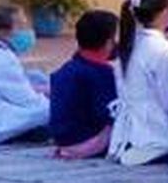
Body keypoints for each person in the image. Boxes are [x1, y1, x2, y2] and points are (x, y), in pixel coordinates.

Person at [108, 0, 168, 166]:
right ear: (165, 13)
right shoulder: (160, 49)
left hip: (126, 133)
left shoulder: (130, 43)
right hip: (153, 134)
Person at [48, 10, 120, 159]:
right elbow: (108, 113)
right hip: (87, 142)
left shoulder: (68, 68)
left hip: (63, 141)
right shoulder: (101, 74)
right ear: (108, 42)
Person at [0, 5, 48, 146]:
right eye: (21, 26)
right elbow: (31, 102)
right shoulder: (1, 58)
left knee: (36, 76)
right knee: (52, 111)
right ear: (2, 32)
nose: (27, 32)